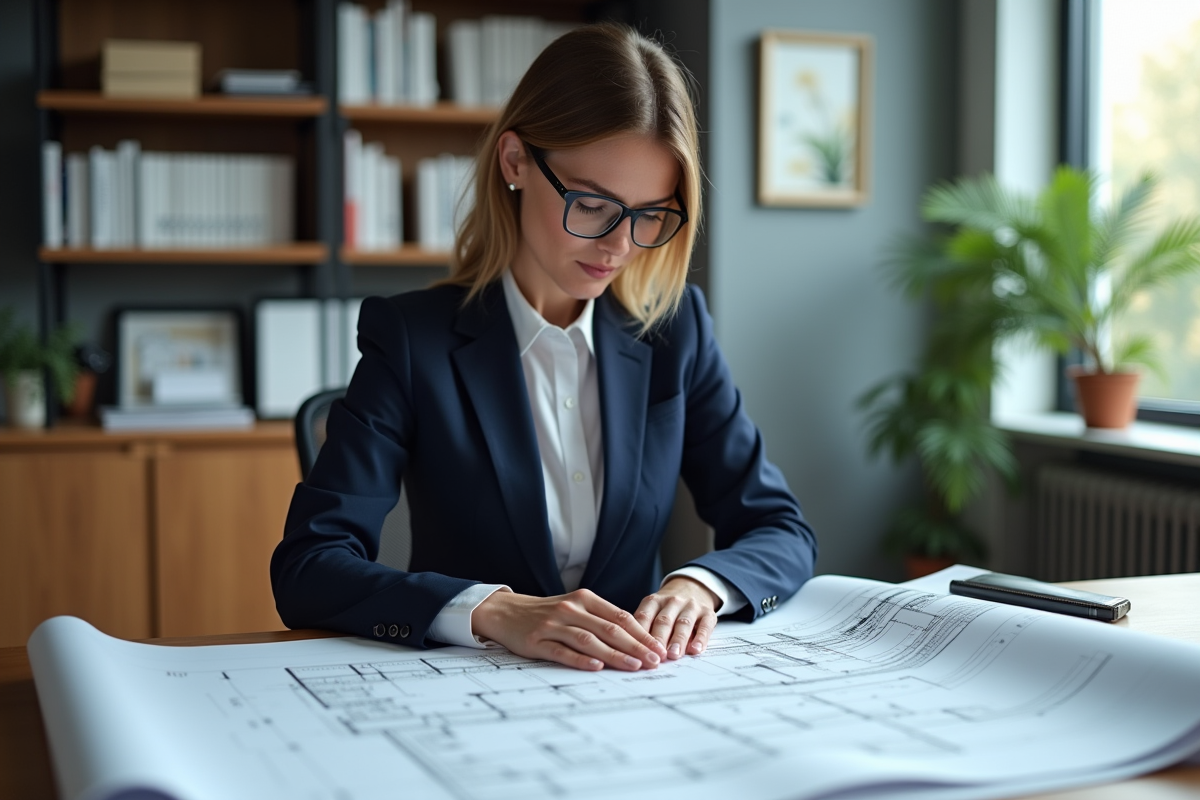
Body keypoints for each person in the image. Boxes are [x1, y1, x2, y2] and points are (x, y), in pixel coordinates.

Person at [270, 22, 816, 673]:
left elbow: (779, 528)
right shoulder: (412, 339)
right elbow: (309, 567)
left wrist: (699, 586)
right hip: (465, 691)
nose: (619, 246)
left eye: (650, 214)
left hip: (637, 690)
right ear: (515, 162)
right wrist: (492, 611)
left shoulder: (676, 333)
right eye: (592, 205)